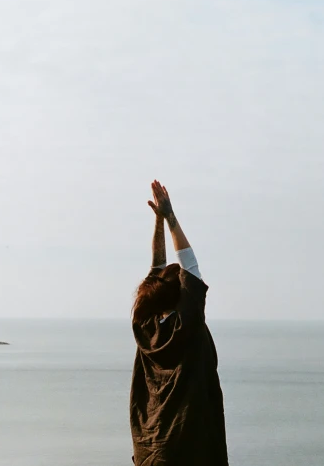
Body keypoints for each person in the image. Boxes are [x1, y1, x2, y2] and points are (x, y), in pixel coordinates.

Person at [130, 180, 229, 466]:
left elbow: (156, 270)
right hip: (189, 447)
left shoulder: (144, 328)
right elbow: (190, 267)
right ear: (181, 296)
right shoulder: (186, 326)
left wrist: (159, 221)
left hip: (151, 451)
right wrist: (170, 217)